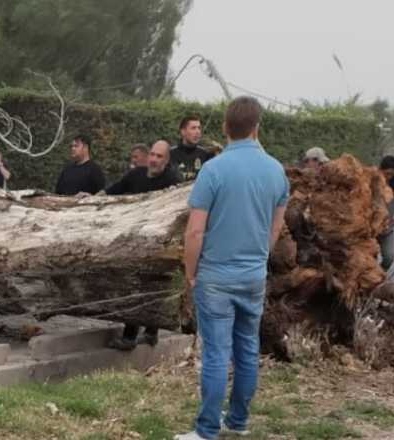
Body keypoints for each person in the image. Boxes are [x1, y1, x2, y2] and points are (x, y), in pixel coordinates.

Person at [176, 97, 289, 440]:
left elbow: (195, 230)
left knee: (215, 353)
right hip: (253, 275)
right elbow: (275, 229)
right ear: (257, 128)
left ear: (226, 128)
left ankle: (207, 430)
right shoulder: (276, 170)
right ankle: (238, 421)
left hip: (215, 276)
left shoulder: (213, 170)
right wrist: (258, 260)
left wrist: (190, 271)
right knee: (247, 349)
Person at [105, 139, 182, 350]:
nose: (154, 160)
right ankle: (150, 332)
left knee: (144, 286)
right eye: (153, 155)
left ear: (167, 161)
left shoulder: (173, 180)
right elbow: (112, 191)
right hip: (135, 240)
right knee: (146, 287)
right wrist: (90, 199)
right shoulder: (136, 174)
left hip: (159, 243)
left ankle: (131, 337)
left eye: (160, 157)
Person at [170, 115, 214, 181]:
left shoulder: (204, 154)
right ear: (183, 131)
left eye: (199, 128)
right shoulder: (171, 154)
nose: (197, 132)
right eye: (193, 128)